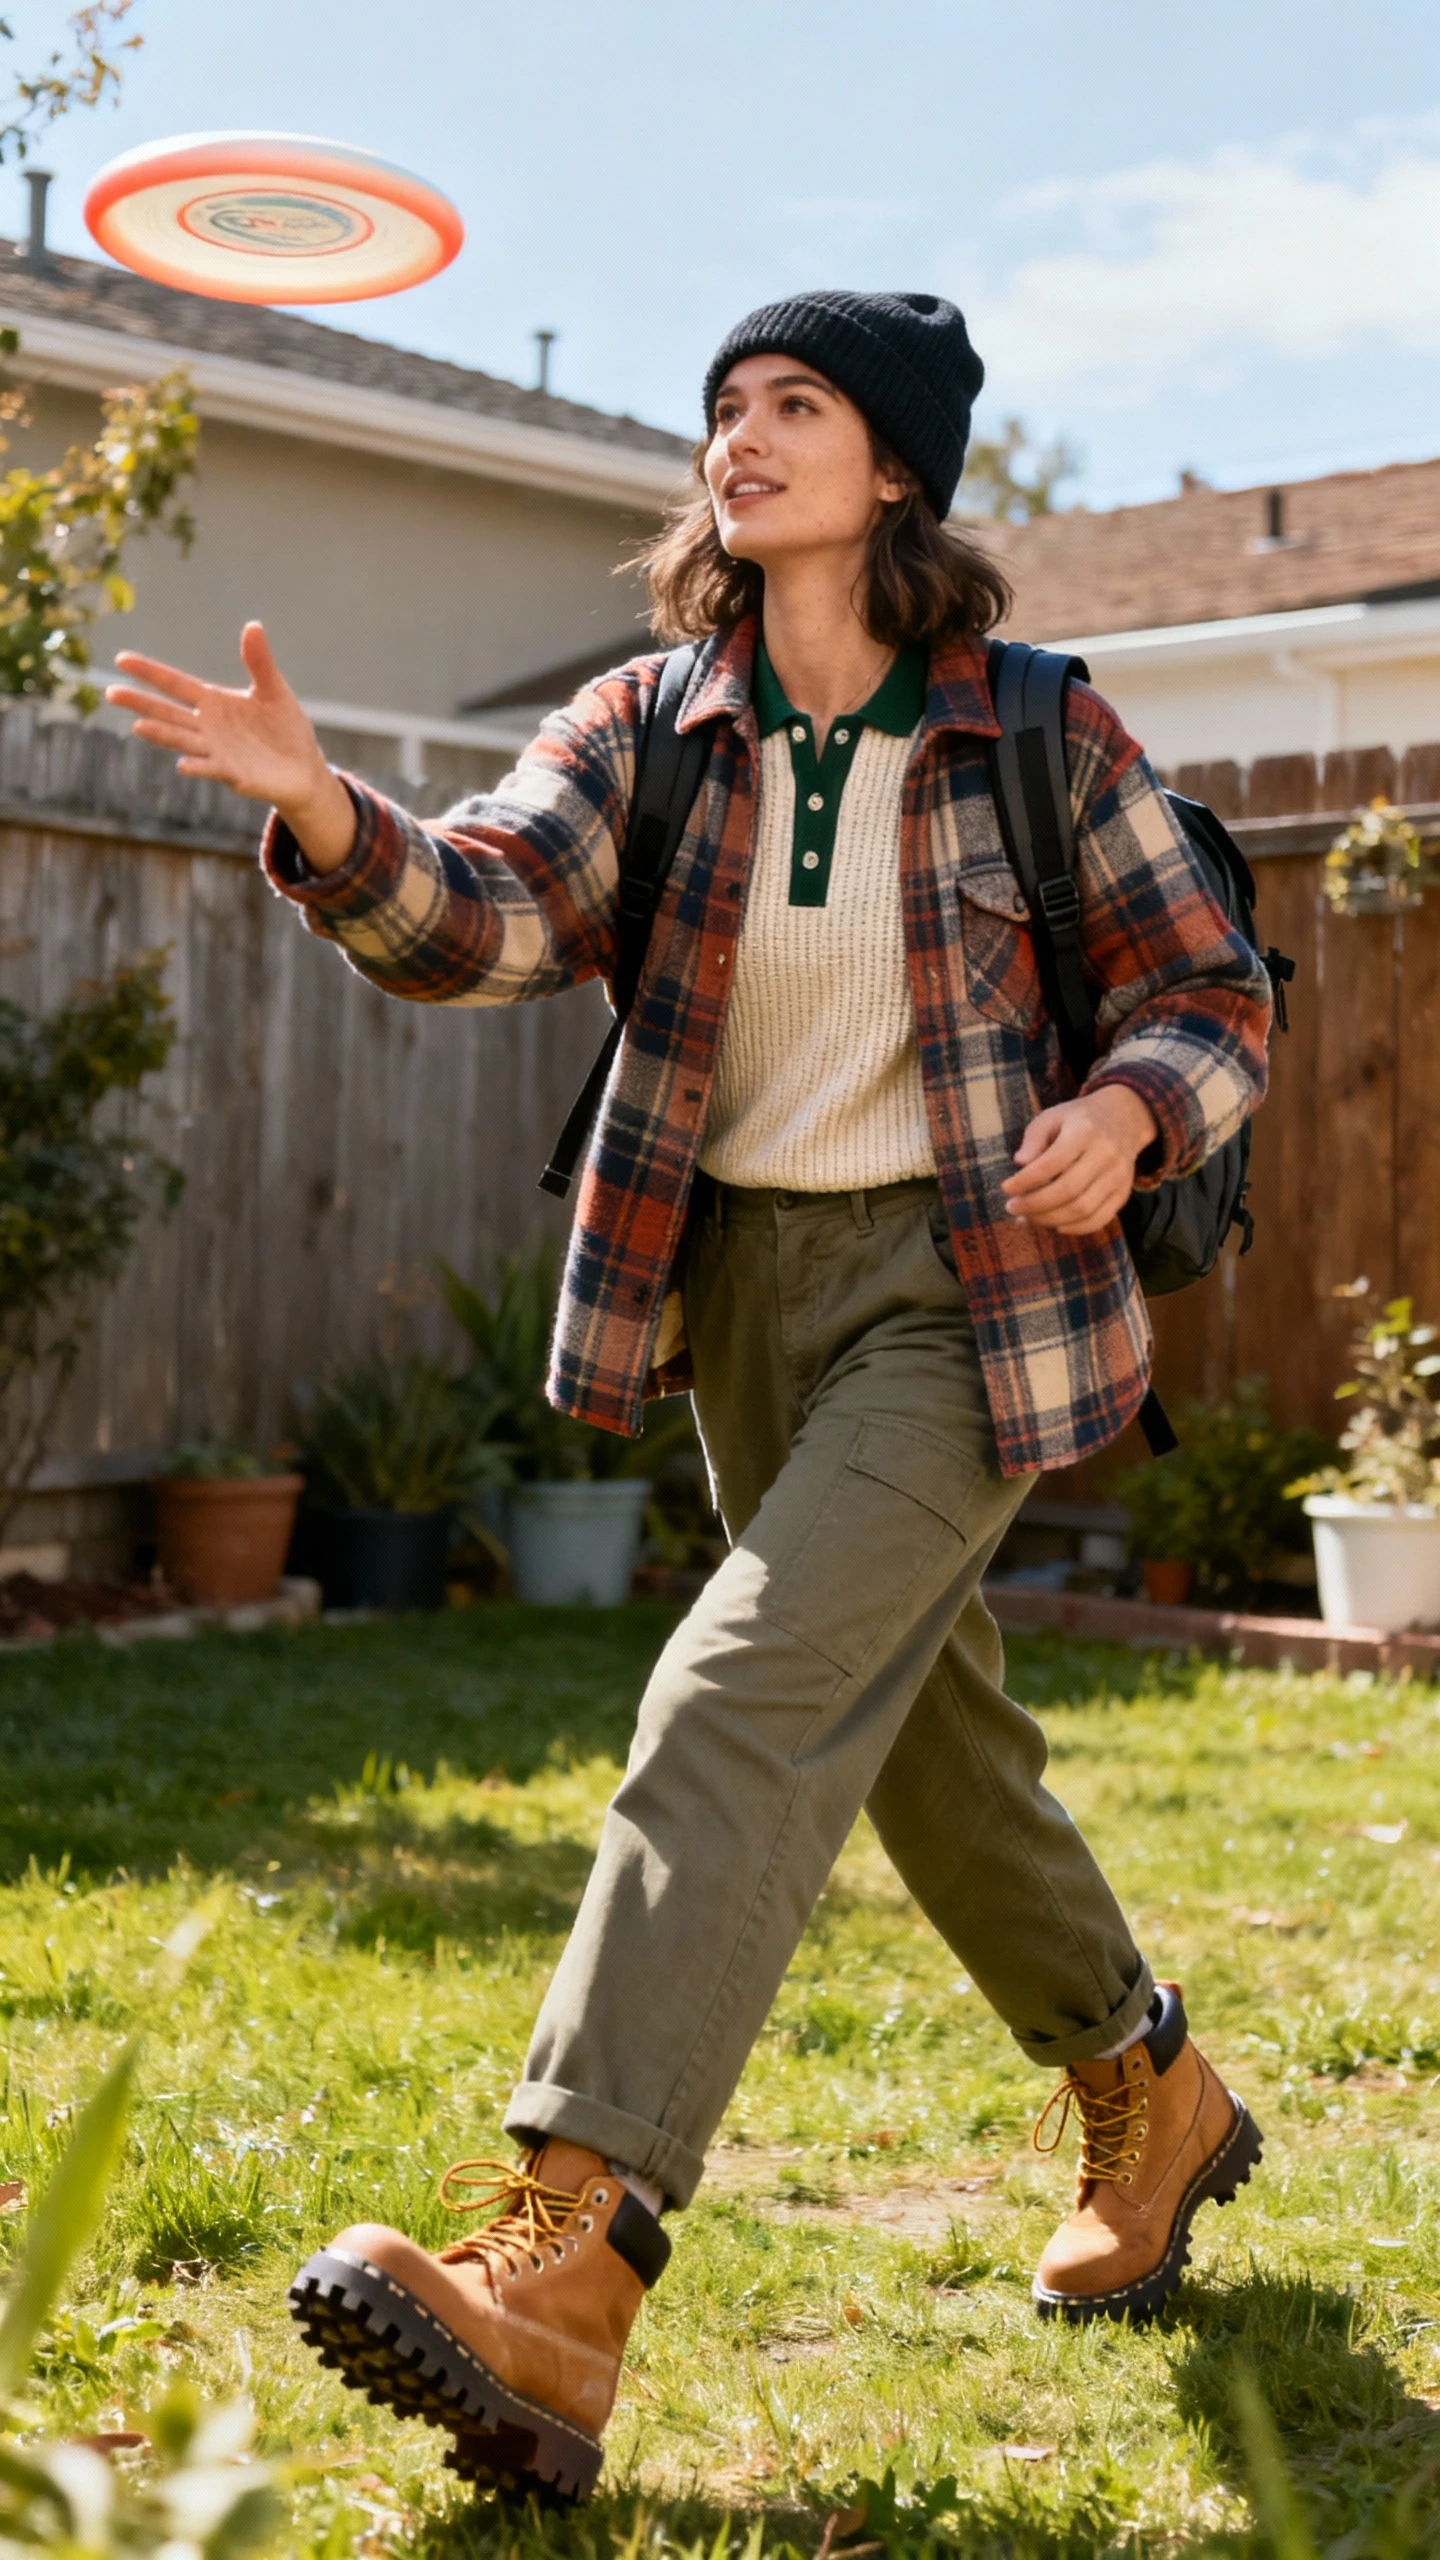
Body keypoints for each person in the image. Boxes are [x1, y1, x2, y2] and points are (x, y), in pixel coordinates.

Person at [109, 289, 1270, 2500]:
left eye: (797, 404)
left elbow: (1206, 985)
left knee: (734, 1691)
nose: (742, 435)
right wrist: (333, 815)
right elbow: (493, 913)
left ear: (898, 470)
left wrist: (1128, 1112)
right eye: (726, 403)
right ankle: (1150, 2078)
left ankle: (570, 2252)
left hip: (969, 1292)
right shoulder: (656, 720)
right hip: (740, 1286)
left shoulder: (1035, 724)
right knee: (925, 1739)